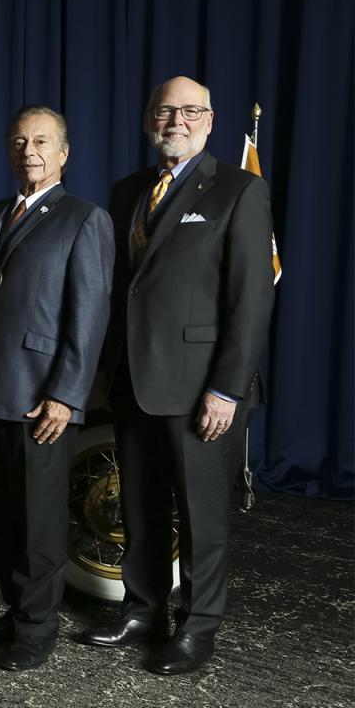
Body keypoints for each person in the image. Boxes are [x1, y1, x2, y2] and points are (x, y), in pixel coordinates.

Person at [80, 76, 275, 675]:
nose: (176, 121)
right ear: (148, 121)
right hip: (135, 380)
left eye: (190, 112)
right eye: (165, 112)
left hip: (201, 389)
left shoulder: (239, 190)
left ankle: (197, 625)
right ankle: (142, 610)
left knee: (199, 514)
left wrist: (227, 388)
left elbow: (250, 300)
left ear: (210, 121)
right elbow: (120, 290)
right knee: (139, 504)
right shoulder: (126, 191)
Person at [0, 106, 114, 669]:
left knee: (40, 520)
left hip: (43, 397)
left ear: (64, 154)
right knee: (2, 512)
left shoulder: (84, 219)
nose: (30, 151)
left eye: (42, 141)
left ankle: (37, 627)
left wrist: (68, 395)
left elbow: (88, 315)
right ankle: (15, 609)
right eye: (20, 141)